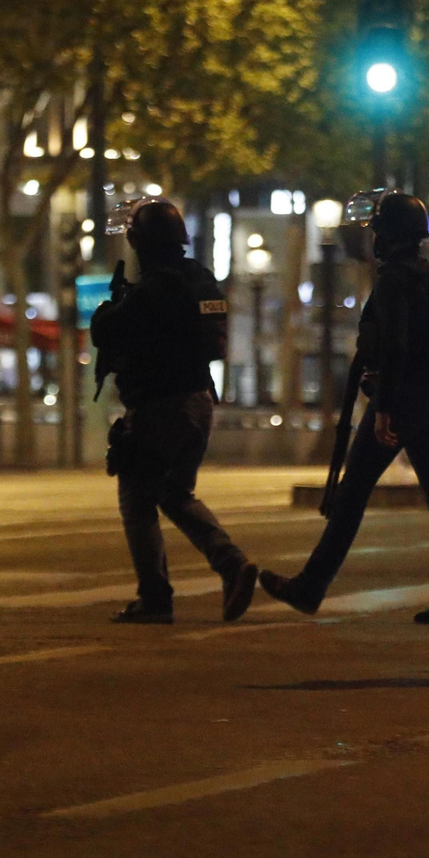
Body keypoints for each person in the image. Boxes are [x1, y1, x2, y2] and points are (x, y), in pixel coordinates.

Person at [259, 191, 429, 622]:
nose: (372, 239)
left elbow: (394, 345)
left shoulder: (395, 279)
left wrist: (387, 408)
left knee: (352, 495)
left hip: (399, 399)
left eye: (377, 231)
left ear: (390, 236)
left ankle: (310, 587)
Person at [90, 199, 257, 625]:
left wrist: (109, 308)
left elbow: (106, 330)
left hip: (160, 406)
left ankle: (155, 596)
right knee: (174, 494)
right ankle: (231, 563)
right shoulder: (200, 280)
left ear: (141, 243)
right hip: (198, 402)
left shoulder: (156, 288)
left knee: (137, 498)